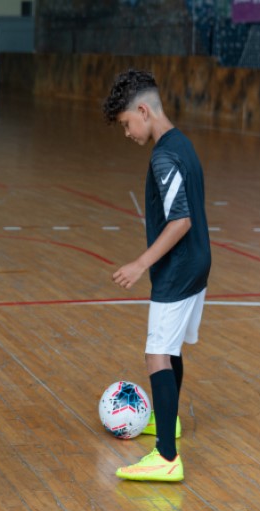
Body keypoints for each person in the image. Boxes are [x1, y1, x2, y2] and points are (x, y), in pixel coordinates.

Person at [102, 69, 211, 482]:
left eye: (128, 124)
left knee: (156, 355)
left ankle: (166, 457)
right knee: (173, 348)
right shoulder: (181, 143)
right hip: (198, 262)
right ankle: (171, 424)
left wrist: (140, 263)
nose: (128, 133)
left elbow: (180, 219)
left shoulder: (163, 155)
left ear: (143, 111)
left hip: (178, 269)